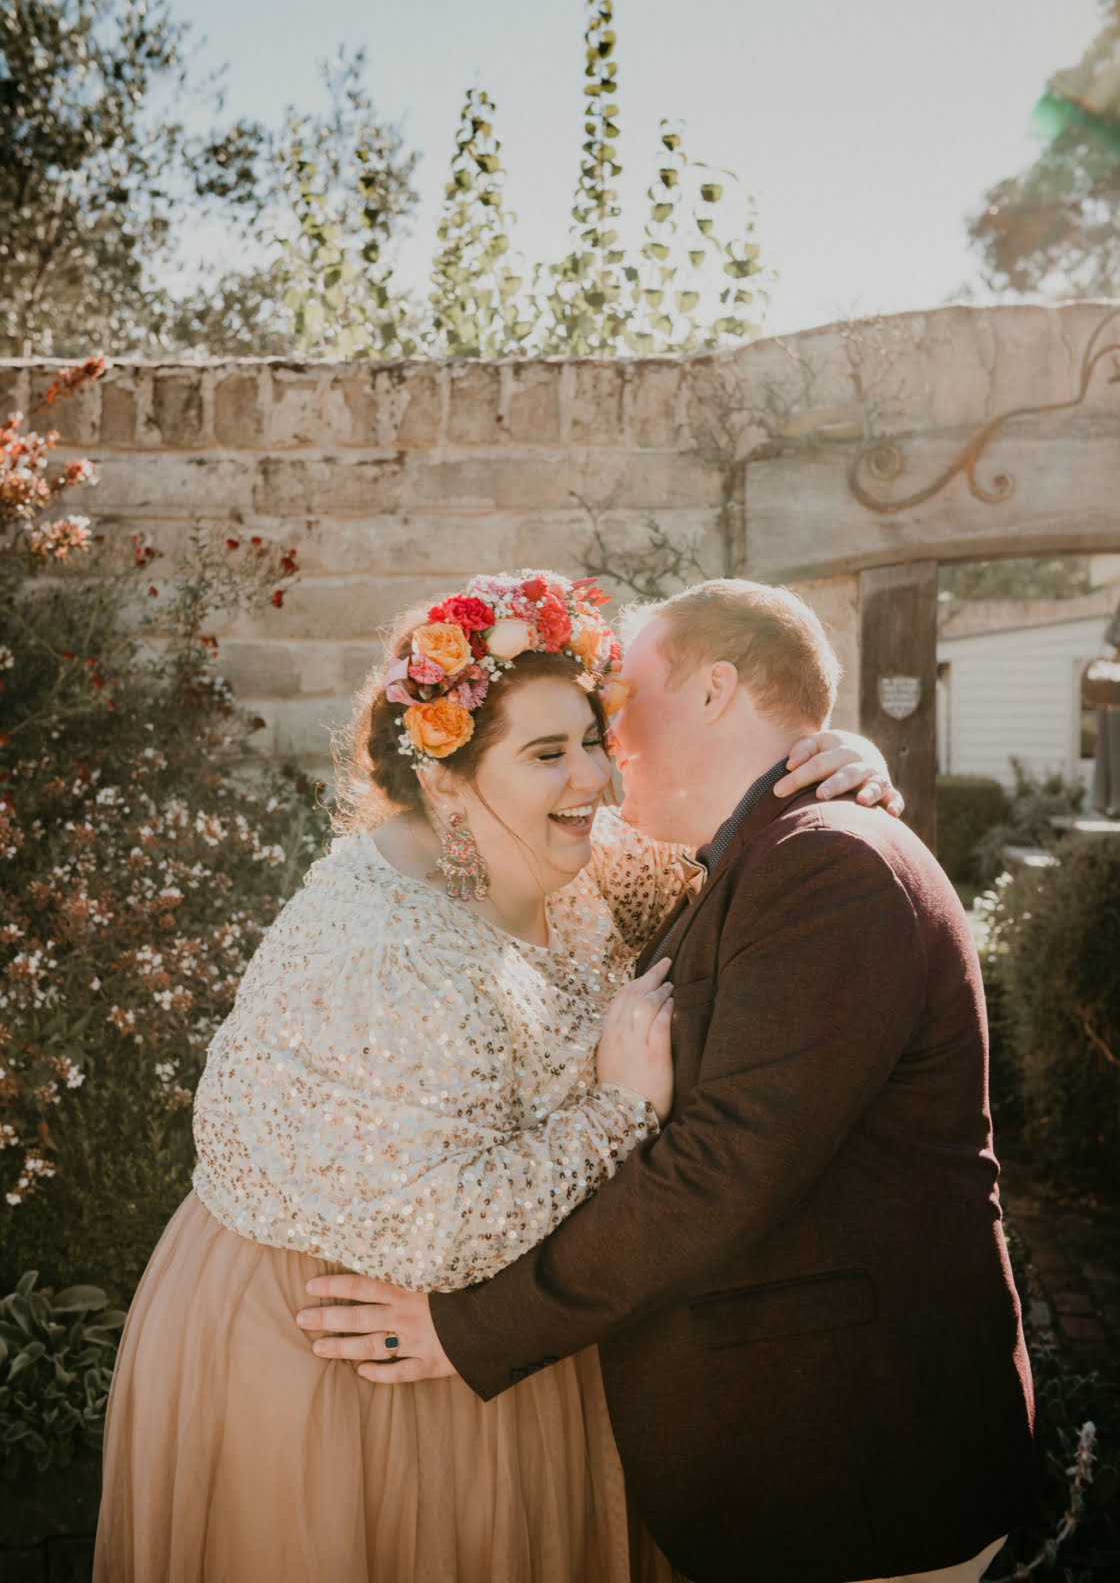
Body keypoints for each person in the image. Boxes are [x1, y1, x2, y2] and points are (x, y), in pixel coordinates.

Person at [94, 570, 896, 1583]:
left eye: (594, 739)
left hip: (499, 1328)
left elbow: (733, 868)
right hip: (348, 1342)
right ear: (445, 777)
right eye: (547, 753)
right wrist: (619, 1112)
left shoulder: (575, 855)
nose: (594, 778)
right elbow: (442, 1232)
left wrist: (829, 760)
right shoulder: (389, 956)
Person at [302, 579, 1039, 1583]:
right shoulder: (759, 853)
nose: (607, 731)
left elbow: (725, 1165)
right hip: (803, 1456)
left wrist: (467, 1331)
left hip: (856, 1464)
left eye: (621, 697)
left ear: (714, 690)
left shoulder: (828, 864)